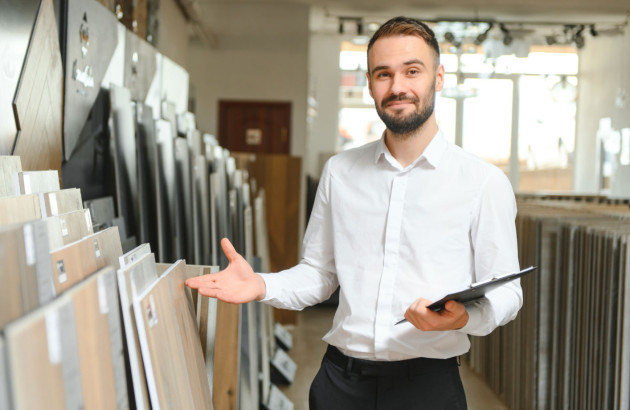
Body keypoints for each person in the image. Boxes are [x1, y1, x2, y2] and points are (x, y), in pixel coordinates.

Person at [186, 16, 522, 410]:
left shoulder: (483, 182)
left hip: (428, 388)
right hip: (339, 385)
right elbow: (320, 275)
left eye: (412, 71)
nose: (397, 87)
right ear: (369, 84)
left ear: (439, 77)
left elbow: (506, 292)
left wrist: (462, 319)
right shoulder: (340, 172)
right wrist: (261, 285)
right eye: (383, 74)